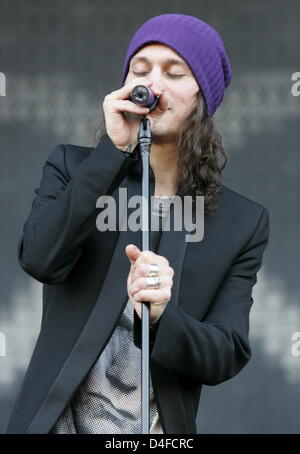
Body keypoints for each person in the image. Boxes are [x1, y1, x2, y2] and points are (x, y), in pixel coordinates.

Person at [6, 13, 270, 434]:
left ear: (202, 96)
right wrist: (113, 151)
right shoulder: (74, 168)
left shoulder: (241, 221)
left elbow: (227, 352)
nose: (154, 83)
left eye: (174, 71)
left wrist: (165, 315)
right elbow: (40, 258)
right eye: (140, 69)